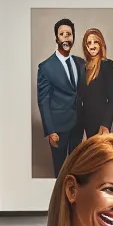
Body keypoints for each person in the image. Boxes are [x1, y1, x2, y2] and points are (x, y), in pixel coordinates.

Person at [35, 18, 85, 177]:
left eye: (69, 34)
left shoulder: (80, 63)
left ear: (73, 37)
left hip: (79, 125)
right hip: (58, 128)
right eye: (62, 34)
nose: (66, 38)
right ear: (56, 38)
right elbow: (43, 100)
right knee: (60, 171)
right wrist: (50, 130)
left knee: (77, 167)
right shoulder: (46, 67)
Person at [76, 27, 113, 139]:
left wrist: (106, 124)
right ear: (86, 46)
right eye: (89, 43)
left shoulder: (107, 65)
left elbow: (112, 99)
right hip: (87, 123)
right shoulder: (83, 68)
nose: (92, 46)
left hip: (102, 124)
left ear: (101, 44)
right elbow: (80, 96)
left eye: (96, 42)